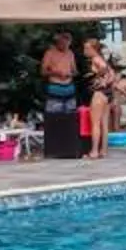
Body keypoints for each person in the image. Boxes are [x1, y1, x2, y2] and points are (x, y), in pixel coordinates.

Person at [41, 32, 84, 160]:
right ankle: (54, 148)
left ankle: (68, 147)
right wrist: (56, 71)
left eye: (68, 43)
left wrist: (71, 72)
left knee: (70, 117)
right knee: (54, 117)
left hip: (69, 87)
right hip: (55, 86)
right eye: (63, 43)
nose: (65, 45)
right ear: (58, 42)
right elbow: (43, 70)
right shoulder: (50, 53)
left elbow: (75, 70)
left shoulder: (70, 53)